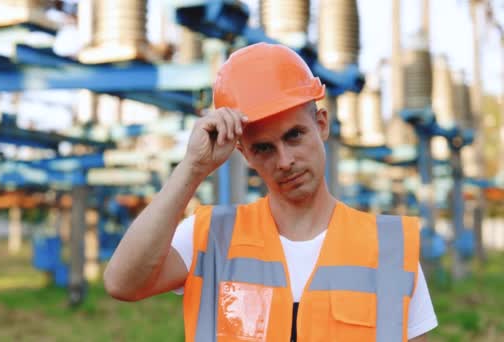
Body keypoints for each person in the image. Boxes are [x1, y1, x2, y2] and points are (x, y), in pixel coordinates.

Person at [104, 43, 438, 342]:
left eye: (294, 135)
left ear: (321, 125)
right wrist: (192, 168)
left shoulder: (390, 248)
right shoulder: (211, 238)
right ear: (245, 154)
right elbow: (122, 283)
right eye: (264, 148)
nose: (285, 161)